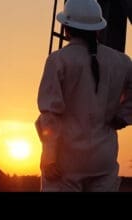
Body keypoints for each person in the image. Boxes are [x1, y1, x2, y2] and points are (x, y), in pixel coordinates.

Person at [36, 0, 132, 192]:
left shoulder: (58, 61)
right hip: (103, 159)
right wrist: (123, 115)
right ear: (98, 29)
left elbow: (50, 115)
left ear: (65, 29)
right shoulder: (122, 62)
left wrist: (49, 156)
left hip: (66, 160)